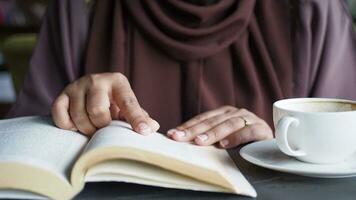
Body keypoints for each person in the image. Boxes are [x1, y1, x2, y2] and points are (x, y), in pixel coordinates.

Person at [7, 0, 356, 149]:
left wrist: (276, 150)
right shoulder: (81, 6)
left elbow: (347, 158)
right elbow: (23, 157)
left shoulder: (308, 8)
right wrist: (71, 111)